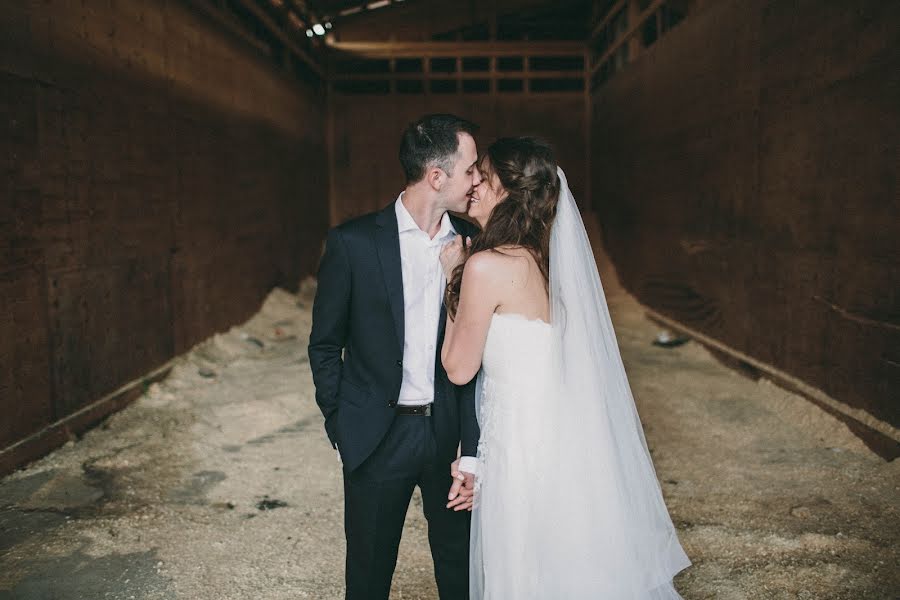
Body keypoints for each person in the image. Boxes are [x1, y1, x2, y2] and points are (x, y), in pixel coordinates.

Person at [440, 137, 692, 598]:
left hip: (521, 448)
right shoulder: (542, 260)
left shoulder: (484, 267)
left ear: (509, 195)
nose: (473, 184)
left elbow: (458, 368)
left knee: (525, 571)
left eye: (485, 178)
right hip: (560, 441)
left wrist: (451, 278)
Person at [307, 114, 482, 600]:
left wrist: (472, 449)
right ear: (437, 176)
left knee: (461, 573)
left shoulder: (473, 242)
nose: (478, 181)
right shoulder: (353, 243)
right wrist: (339, 420)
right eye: (470, 170)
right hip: (376, 437)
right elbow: (324, 343)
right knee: (368, 576)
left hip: (447, 435)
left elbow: (479, 354)